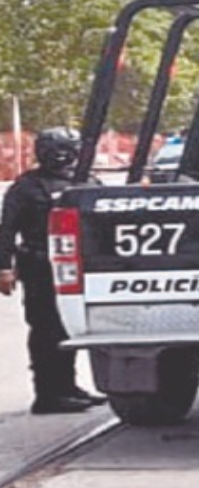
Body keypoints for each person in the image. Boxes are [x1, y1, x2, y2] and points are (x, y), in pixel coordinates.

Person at [0, 128, 107, 414]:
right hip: (40, 266)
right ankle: (48, 395)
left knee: (67, 328)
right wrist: (4, 268)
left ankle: (68, 388)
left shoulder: (84, 181)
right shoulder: (27, 187)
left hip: (77, 266)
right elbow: (6, 230)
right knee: (46, 329)